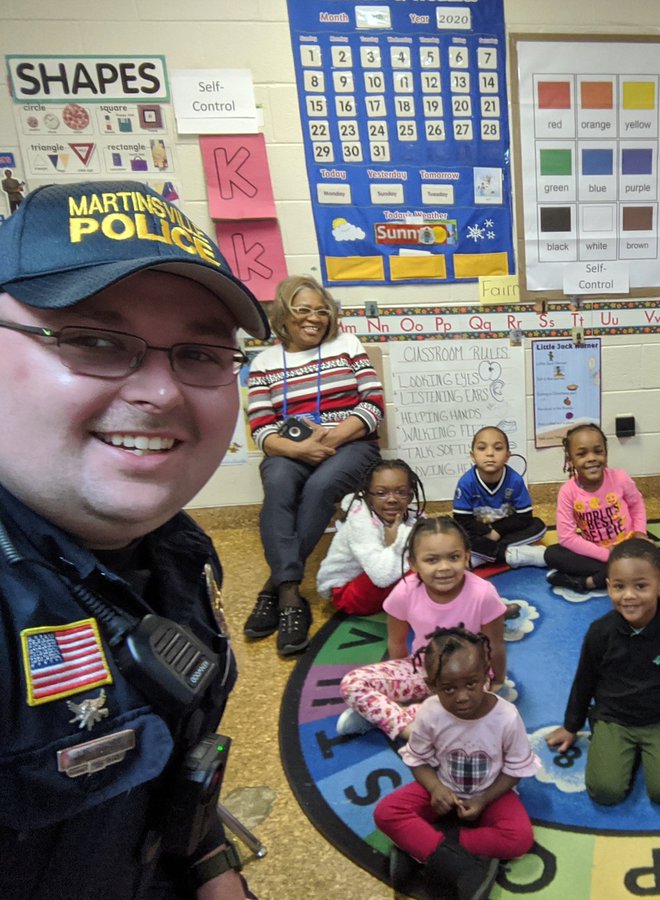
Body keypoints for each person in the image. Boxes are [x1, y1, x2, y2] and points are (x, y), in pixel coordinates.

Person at [0, 180, 268, 898]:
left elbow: (176, 755)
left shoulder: (178, 551)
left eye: (202, 354)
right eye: (92, 339)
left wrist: (211, 865)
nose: (161, 393)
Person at [242, 275, 385, 657]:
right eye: (303, 310)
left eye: (322, 311)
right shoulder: (265, 363)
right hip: (291, 451)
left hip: (352, 444)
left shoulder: (347, 345)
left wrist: (331, 440)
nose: (314, 318)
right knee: (277, 481)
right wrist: (300, 450)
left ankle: (277, 589)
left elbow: (373, 405)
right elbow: (260, 428)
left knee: (322, 486)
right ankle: (291, 592)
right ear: (284, 315)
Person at [373, 627, 539, 899]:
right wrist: (436, 788)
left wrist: (484, 799)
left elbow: (515, 770)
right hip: (443, 786)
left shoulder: (507, 717)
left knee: (520, 839)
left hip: (492, 791)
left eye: (471, 684)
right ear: (432, 686)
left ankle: (426, 845)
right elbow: (418, 760)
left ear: (487, 673)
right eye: (448, 688)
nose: (462, 696)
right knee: (386, 812)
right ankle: (457, 863)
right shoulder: (430, 711)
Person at [546, 539, 660, 806]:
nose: (629, 596)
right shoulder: (599, 632)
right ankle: (617, 746)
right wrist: (571, 725)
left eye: (641, 586)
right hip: (614, 718)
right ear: (609, 586)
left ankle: (649, 750)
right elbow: (584, 681)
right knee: (605, 791)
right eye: (619, 586)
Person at [336, 518, 508, 740]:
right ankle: (408, 726)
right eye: (431, 560)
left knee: (470, 710)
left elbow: (495, 644)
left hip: (469, 676)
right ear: (414, 563)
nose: (444, 567)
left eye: (454, 557)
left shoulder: (484, 594)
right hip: (421, 669)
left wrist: (498, 680)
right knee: (352, 683)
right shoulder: (404, 592)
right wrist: (400, 677)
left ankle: (386, 715)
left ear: (467, 556)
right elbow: (397, 642)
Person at [543, 423, 646, 594]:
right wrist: (607, 555)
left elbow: (637, 505)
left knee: (647, 560)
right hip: (594, 554)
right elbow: (567, 537)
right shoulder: (567, 492)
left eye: (598, 451)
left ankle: (586, 582)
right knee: (552, 554)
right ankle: (612, 574)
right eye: (582, 454)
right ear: (571, 460)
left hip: (628, 548)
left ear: (606, 453)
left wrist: (640, 533)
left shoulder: (620, 478)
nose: (591, 458)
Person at [316, 459, 424, 616]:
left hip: (376, 579)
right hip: (346, 592)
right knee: (424, 572)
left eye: (401, 492)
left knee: (436, 563)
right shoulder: (360, 521)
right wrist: (399, 541)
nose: (392, 499)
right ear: (368, 497)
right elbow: (381, 576)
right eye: (381, 493)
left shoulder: (413, 516)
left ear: (410, 496)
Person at [452, 426, 546, 568]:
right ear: (473, 456)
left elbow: (524, 516)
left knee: (539, 526)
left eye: (498, 448)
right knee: (454, 535)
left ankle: (483, 556)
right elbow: (462, 519)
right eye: (482, 448)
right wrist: (487, 532)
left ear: (507, 456)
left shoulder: (515, 481)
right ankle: (513, 554)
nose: (490, 454)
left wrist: (496, 531)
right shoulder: (466, 482)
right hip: (480, 533)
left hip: (504, 532)